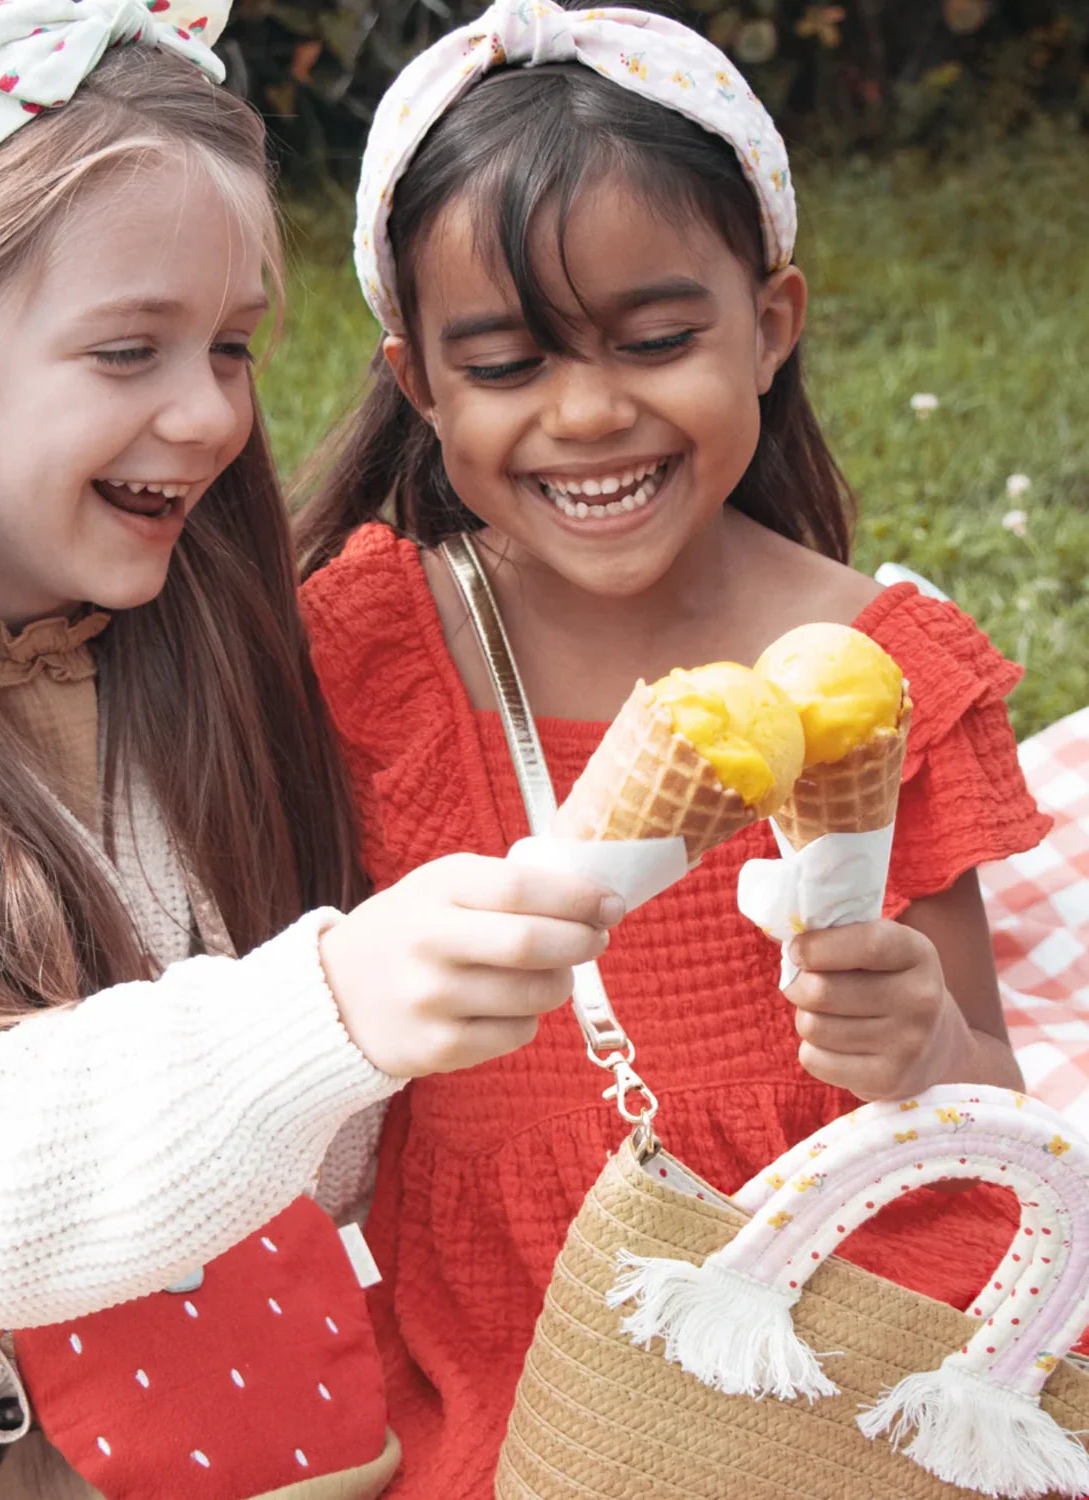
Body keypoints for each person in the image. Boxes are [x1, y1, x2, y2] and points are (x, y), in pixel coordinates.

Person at [296, 1, 1053, 1493]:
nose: (588, 411)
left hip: (846, 1305)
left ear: (770, 324)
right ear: (416, 383)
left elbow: (982, 1091)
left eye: (655, 340)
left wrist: (924, 1045)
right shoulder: (372, 647)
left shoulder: (887, 669)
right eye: (505, 366)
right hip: (511, 1336)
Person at [0, 2, 618, 1492]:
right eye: (129, 349)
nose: (205, 414)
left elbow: (311, 1170)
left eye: (234, 346)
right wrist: (321, 1008)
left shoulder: (200, 665)